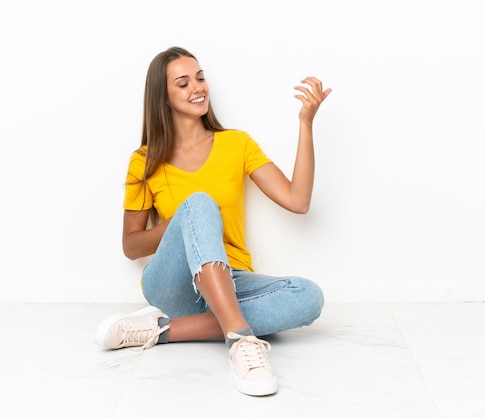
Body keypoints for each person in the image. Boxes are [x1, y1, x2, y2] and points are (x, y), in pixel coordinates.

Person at [94, 46, 331, 397]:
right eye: (184, 83)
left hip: (233, 281)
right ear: (163, 97)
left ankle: (159, 331)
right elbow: (131, 246)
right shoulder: (144, 161)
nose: (198, 88)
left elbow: (298, 201)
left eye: (201, 78)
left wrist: (305, 123)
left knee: (309, 297)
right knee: (199, 203)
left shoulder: (237, 144)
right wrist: (183, 220)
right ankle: (240, 339)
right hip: (176, 284)